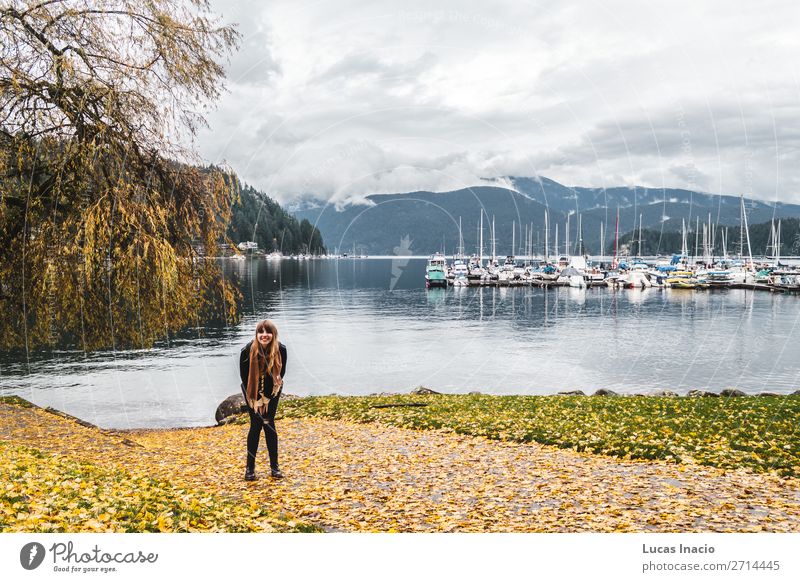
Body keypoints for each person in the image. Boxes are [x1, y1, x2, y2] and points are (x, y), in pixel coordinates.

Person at [239, 319, 287, 481]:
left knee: (269, 423)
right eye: (261, 332)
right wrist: (257, 401)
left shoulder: (281, 350)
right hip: (251, 393)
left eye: (268, 332)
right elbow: (245, 379)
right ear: (257, 334)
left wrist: (267, 398)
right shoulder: (247, 351)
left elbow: (281, 374)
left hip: (272, 391)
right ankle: (249, 469)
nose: (264, 335)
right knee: (256, 425)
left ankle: (275, 468)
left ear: (273, 334)